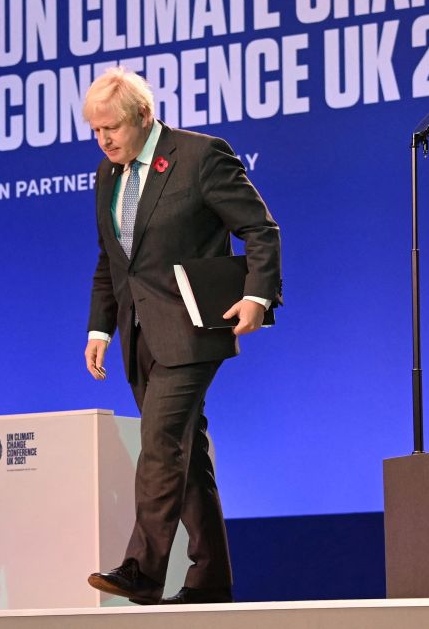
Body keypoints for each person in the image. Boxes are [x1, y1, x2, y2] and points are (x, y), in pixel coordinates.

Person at [83, 67, 282, 605]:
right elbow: (113, 260)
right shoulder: (108, 175)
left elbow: (260, 229)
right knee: (186, 456)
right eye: (95, 132)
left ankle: (143, 570)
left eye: (112, 129)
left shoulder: (200, 156)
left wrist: (258, 296)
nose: (103, 141)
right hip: (137, 332)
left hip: (193, 326)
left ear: (143, 117)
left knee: (161, 441)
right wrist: (101, 325)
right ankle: (210, 579)